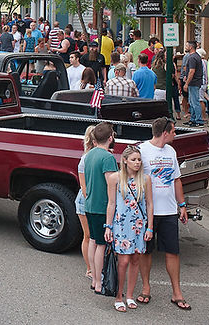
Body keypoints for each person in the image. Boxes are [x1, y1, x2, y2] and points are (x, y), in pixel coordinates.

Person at [136, 117, 191, 311]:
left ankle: (177, 292)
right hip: (148, 211)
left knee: (173, 252)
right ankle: (145, 287)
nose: (175, 134)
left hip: (168, 211)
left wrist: (182, 205)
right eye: (174, 131)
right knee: (146, 251)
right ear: (165, 133)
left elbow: (176, 180)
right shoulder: (142, 151)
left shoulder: (171, 151)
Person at [105, 145, 154, 312]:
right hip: (121, 225)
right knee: (123, 260)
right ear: (124, 161)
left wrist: (150, 228)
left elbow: (149, 204)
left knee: (135, 259)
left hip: (139, 225)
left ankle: (130, 295)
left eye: (139, 159)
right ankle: (118, 296)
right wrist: (108, 226)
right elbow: (111, 203)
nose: (137, 163)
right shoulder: (115, 178)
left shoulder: (145, 179)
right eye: (133, 159)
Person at [84, 122, 118, 294]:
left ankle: (94, 277)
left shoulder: (89, 155)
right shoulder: (108, 158)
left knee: (93, 241)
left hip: (90, 204)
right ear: (110, 137)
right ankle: (98, 281)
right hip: (101, 206)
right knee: (101, 245)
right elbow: (111, 183)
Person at [75, 125, 97, 281]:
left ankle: (97, 266)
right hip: (85, 201)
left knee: (96, 238)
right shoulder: (86, 158)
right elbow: (84, 187)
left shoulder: (103, 155)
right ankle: (89, 269)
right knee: (88, 236)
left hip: (95, 200)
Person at [181, 41, 204, 126]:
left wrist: (186, 83)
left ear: (191, 47)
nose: (185, 47)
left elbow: (192, 71)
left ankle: (198, 120)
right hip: (195, 82)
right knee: (191, 101)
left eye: (187, 45)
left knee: (195, 101)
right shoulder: (196, 56)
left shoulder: (192, 58)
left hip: (193, 82)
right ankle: (193, 119)